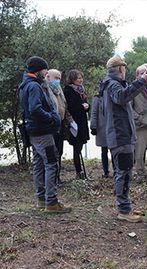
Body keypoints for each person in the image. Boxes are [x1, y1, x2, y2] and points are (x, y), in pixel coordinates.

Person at [102, 56, 147, 222]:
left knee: (123, 171)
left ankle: (125, 206)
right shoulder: (112, 84)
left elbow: (124, 96)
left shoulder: (113, 84)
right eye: (125, 68)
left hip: (122, 135)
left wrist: (140, 83)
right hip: (119, 135)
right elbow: (122, 97)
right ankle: (123, 210)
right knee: (123, 172)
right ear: (121, 69)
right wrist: (141, 82)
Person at [19, 56, 71, 213]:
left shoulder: (24, 85)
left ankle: (41, 199)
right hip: (42, 131)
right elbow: (35, 109)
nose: (46, 73)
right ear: (38, 70)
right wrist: (51, 118)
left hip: (34, 131)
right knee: (51, 162)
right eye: (44, 70)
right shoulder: (34, 86)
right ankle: (51, 202)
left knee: (39, 163)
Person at [44, 69, 74, 184]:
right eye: (55, 78)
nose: (57, 80)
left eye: (59, 78)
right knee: (51, 153)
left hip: (60, 125)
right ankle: (50, 179)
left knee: (59, 151)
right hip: (50, 126)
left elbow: (64, 107)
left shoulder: (59, 91)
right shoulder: (45, 90)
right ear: (48, 77)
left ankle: (57, 177)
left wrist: (69, 120)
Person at [64, 69, 90, 179]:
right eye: (78, 78)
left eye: (81, 78)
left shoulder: (81, 90)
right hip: (74, 123)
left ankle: (82, 172)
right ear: (73, 79)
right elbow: (71, 107)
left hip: (82, 122)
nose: (81, 80)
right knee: (77, 148)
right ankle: (79, 172)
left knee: (80, 146)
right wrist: (82, 107)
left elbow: (86, 104)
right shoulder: (68, 90)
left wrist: (87, 106)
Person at [90, 83, 113, 178]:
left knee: (114, 150)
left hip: (112, 127)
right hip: (102, 128)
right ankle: (106, 171)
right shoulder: (97, 98)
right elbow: (94, 113)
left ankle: (116, 170)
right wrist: (93, 126)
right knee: (104, 150)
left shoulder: (113, 97)